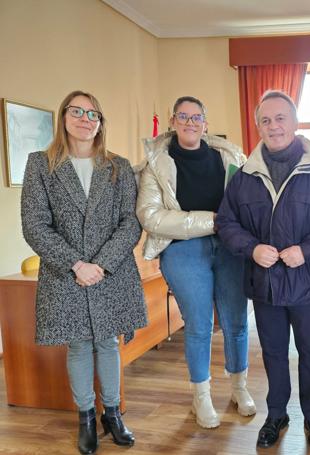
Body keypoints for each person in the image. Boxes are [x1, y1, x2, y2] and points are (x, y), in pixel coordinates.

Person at [218, 90, 310, 451]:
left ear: (294, 123)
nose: (273, 126)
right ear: (258, 126)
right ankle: (276, 414)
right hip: (265, 286)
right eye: (266, 120)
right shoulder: (243, 175)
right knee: (274, 354)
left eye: (281, 118)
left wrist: (306, 251)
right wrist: (252, 248)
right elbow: (227, 224)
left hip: (307, 284)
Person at [21, 90, 148, 455]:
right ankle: (86, 417)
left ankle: (113, 413)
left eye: (93, 114)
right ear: (63, 118)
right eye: (77, 111)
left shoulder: (119, 167)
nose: (85, 119)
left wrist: (101, 264)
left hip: (112, 271)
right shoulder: (40, 165)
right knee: (78, 345)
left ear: (100, 123)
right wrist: (77, 264)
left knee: (107, 342)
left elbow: (130, 222)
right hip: (66, 272)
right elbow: (35, 225)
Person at [136, 96, 255, 429]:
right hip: (183, 249)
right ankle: (201, 396)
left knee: (236, 322)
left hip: (230, 247)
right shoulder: (155, 163)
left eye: (196, 117)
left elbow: (248, 200)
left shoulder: (230, 155)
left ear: (206, 121)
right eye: (183, 116)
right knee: (200, 325)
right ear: (173, 121)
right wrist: (213, 221)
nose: (190, 122)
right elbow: (151, 216)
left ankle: (239, 388)